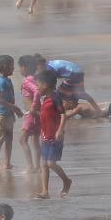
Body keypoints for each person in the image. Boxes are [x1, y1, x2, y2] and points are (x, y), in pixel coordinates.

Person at [34, 69, 74, 199]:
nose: (36, 87)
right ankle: (45, 191)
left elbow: (63, 114)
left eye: (38, 84)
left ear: (45, 85)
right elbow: (46, 116)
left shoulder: (55, 97)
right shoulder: (45, 98)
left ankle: (66, 180)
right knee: (44, 164)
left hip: (56, 136)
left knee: (50, 163)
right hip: (45, 136)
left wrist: (60, 130)